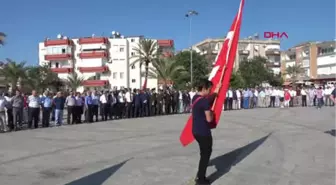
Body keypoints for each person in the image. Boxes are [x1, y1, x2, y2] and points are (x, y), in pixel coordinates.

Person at [192, 79, 221, 185]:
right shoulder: (204, 101)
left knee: (203, 154)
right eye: (209, 89)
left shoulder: (195, 98)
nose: (210, 91)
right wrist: (213, 113)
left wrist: (216, 91)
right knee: (205, 155)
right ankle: (201, 179)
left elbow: (208, 99)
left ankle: (200, 175)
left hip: (195, 131)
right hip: (204, 132)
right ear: (204, 88)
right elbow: (209, 119)